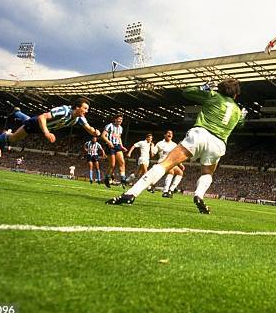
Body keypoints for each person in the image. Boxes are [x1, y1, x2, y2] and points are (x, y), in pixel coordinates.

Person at [107, 79, 247, 213]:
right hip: (218, 144)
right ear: (236, 94)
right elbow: (240, 125)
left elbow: (187, 92)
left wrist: (204, 87)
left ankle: (131, 193)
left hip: (200, 134)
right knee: (207, 173)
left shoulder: (213, 95)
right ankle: (199, 195)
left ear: (220, 89)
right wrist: (242, 117)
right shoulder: (237, 110)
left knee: (164, 164)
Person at [0, 97, 101, 150]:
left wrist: (95, 132)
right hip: (37, 124)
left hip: (42, 127)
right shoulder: (64, 111)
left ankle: (17, 112)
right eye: (85, 108)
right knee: (13, 139)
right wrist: (46, 133)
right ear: (77, 107)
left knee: (27, 120)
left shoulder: (79, 118)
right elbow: (42, 117)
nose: (86, 111)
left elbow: (88, 128)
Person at [153, 130, 185, 198]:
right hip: (162, 161)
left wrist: (181, 164)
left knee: (180, 173)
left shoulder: (174, 144)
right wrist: (151, 147)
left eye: (171, 133)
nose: (170, 134)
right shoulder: (160, 143)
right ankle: (165, 191)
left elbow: (177, 155)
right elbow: (153, 153)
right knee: (171, 172)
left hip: (171, 162)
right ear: (164, 135)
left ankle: (171, 190)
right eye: (168, 133)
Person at [101, 114, 128, 188]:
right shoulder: (109, 125)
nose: (120, 121)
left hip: (117, 146)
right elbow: (103, 135)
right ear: (115, 119)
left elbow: (119, 138)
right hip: (110, 146)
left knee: (122, 162)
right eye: (119, 119)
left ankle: (123, 179)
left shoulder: (120, 128)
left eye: (121, 120)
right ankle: (107, 178)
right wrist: (109, 142)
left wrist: (122, 146)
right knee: (112, 164)